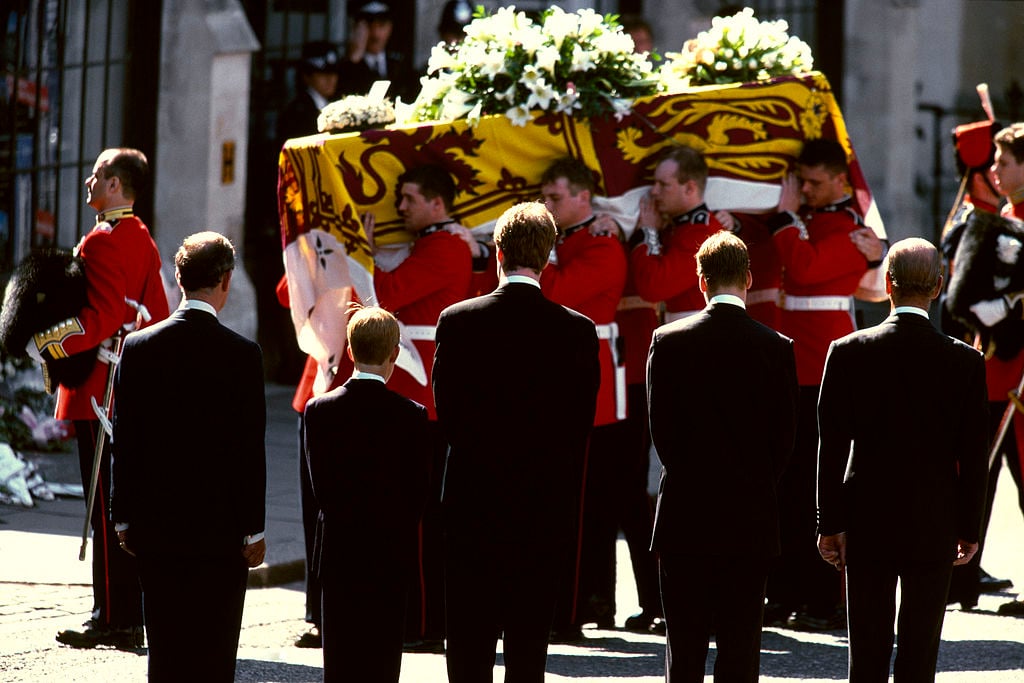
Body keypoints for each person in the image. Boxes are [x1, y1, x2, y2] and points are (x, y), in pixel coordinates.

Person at [433, 202, 600, 683]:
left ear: (498, 253)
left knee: (469, 639)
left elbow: (451, 415)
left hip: (474, 498)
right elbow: (578, 424)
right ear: (547, 258)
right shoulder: (576, 330)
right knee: (529, 646)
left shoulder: (459, 320)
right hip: (542, 502)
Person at [817, 237, 989, 682]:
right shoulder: (965, 361)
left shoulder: (847, 351)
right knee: (920, 652)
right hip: (934, 518)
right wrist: (970, 529)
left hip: (867, 517)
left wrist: (829, 524)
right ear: (937, 287)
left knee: (867, 653)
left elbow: (831, 447)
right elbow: (974, 457)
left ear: (887, 284)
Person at [110, 231, 267, 682]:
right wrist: (253, 528)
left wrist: (123, 517)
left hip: (157, 526)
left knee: (166, 649)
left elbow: (127, 437)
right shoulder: (242, 354)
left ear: (179, 279)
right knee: (213, 652)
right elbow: (249, 448)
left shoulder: (138, 347)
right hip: (220, 530)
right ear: (225, 281)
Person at [31, 148, 169, 650]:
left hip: (98, 388)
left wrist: (46, 342)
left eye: (97, 175)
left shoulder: (104, 241)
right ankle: (126, 612)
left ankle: (113, 616)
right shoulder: (142, 238)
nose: (89, 181)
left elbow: (102, 317)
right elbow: (155, 311)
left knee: (106, 508)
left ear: (115, 185)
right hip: (125, 384)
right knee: (123, 505)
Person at [647, 231, 798, 682]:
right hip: (750, 516)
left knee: (685, 647)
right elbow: (783, 440)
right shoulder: (776, 346)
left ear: (700, 281)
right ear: (749, 278)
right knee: (741, 646)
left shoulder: (668, 341)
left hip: (685, 515)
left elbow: (663, 433)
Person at [538, 157, 656, 638]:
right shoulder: (577, 237)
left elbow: (553, 292)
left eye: (555, 197)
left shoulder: (603, 243)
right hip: (567, 381)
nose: (546, 206)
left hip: (595, 387)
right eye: (543, 197)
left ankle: (583, 604)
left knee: (589, 502)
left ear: (584, 198)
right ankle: (593, 599)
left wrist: (540, 250)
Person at [762, 138, 872, 631]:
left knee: (819, 490)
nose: (803, 190)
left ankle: (824, 598)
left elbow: (804, 268)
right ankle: (786, 589)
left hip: (825, 375)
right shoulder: (813, 223)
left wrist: (785, 219)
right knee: (786, 488)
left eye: (813, 182)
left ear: (842, 183)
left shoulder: (851, 232)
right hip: (793, 372)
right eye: (800, 181)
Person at [364, 163, 472, 652]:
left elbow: (387, 294)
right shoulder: (433, 242)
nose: (399, 208)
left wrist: (359, 252)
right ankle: (417, 617)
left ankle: (427, 622)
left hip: (424, 397)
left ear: (436, 201)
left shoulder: (446, 245)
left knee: (424, 515)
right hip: (412, 392)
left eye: (407, 198)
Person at [303, 305, 431, 683]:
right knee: (382, 660)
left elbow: (319, 489)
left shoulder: (319, 409)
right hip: (390, 553)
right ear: (394, 354)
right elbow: (418, 494)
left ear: (350, 350)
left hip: (340, 551)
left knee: (341, 660)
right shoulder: (412, 414)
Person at [276, 38, 341, 650]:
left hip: (370, 376)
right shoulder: (320, 237)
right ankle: (319, 610)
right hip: (320, 379)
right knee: (319, 508)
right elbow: (282, 294)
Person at [939, 118, 1017, 611]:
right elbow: (960, 297)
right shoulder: (983, 220)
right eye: (993, 163)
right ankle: (962, 578)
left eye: (1005, 162)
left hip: (1014, 369)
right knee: (976, 479)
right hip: (991, 365)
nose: (995, 170)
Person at [631, 145, 727, 325]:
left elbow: (653, 286)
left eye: (663, 185)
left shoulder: (703, 234)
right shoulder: (678, 229)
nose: (654, 191)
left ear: (690, 188)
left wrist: (647, 232)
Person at [337, 1, 417, 103]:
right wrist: (355, 58)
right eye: (369, 26)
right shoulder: (347, 68)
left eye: (381, 25)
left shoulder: (399, 65)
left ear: (390, 28)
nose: (375, 34)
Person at [277, 41, 339, 146]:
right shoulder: (297, 113)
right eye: (322, 74)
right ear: (306, 76)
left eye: (334, 73)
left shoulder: (334, 104)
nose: (331, 79)